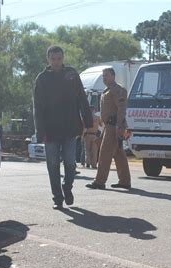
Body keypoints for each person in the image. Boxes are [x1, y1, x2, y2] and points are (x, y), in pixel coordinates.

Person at [33, 45, 92, 210]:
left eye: (59, 58)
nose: (56, 62)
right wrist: (40, 131)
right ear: (48, 60)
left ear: (63, 58)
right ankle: (57, 198)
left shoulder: (71, 75)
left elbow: (82, 98)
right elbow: (37, 107)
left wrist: (88, 122)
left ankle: (68, 188)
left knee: (70, 163)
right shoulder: (42, 79)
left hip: (70, 128)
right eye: (53, 59)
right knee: (52, 165)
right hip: (50, 131)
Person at [86, 67, 131, 190]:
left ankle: (99, 181)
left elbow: (121, 109)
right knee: (118, 154)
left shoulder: (118, 90)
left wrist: (119, 127)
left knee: (105, 154)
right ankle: (125, 180)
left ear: (113, 76)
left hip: (114, 126)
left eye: (106, 75)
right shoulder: (107, 90)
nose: (104, 77)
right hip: (109, 126)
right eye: (103, 75)